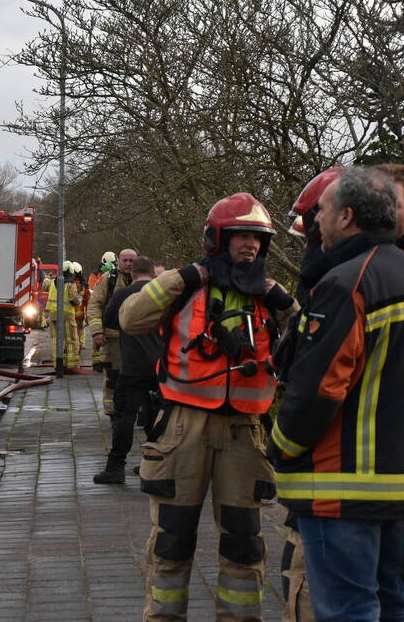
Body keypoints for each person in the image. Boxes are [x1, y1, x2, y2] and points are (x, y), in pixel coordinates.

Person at [120, 193, 298, 621]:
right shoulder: (186, 289)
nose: (250, 246)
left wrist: (286, 304)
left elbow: (310, 342)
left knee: (244, 543)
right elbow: (130, 318)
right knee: (172, 541)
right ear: (216, 238)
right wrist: (183, 277)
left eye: (257, 238)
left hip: (245, 433)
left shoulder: (269, 299)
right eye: (240, 236)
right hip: (184, 429)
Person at [269, 169, 404, 620]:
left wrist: (282, 448)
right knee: (393, 606)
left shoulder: (347, 282)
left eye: (322, 212)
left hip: (342, 488)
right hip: (398, 490)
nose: (316, 223)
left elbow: (319, 388)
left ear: (346, 217)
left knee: (348, 609)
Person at [272, 167, 344, 622]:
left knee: (307, 583)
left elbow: (320, 385)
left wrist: (283, 447)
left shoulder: (339, 288)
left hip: (333, 472)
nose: (303, 250)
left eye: (307, 239)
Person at [94, 255, 160, 484]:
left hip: (131, 365)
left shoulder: (123, 294)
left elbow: (110, 320)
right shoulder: (163, 294)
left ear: (132, 274)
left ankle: (116, 468)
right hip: (160, 366)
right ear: (153, 273)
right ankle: (155, 466)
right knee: (157, 417)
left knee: (125, 416)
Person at [88, 248, 136, 416]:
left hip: (136, 338)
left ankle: (133, 407)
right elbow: (94, 305)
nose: (128, 264)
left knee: (135, 374)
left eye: (132, 261)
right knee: (112, 374)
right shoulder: (109, 280)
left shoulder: (143, 280)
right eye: (125, 260)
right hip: (113, 336)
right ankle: (111, 407)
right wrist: (97, 332)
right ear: (118, 262)